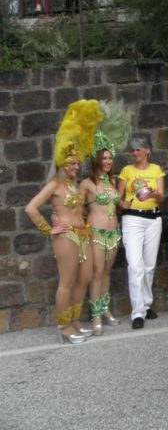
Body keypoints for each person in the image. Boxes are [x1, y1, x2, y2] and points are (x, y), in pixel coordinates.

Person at [25, 100, 102, 344]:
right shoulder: (54, 185)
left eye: (77, 162)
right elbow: (31, 208)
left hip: (83, 234)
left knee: (84, 279)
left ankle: (76, 320)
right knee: (67, 281)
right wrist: (50, 228)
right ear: (61, 162)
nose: (75, 166)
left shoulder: (74, 185)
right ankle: (64, 326)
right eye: (70, 163)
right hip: (66, 236)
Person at [118, 136, 165, 328]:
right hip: (132, 218)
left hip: (153, 218)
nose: (135, 153)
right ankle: (137, 312)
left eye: (138, 150)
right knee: (135, 265)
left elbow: (161, 197)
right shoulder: (126, 171)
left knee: (149, 265)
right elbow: (118, 198)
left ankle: (145, 305)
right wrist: (123, 204)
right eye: (133, 150)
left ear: (147, 150)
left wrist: (154, 193)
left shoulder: (156, 170)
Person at [80, 136, 122, 335]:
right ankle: (95, 313)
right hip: (96, 233)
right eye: (104, 158)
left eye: (110, 158)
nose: (107, 162)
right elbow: (77, 208)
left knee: (106, 272)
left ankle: (105, 309)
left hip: (114, 233)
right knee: (96, 273)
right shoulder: (87, 184)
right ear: (96, 160)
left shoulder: (113, 181)